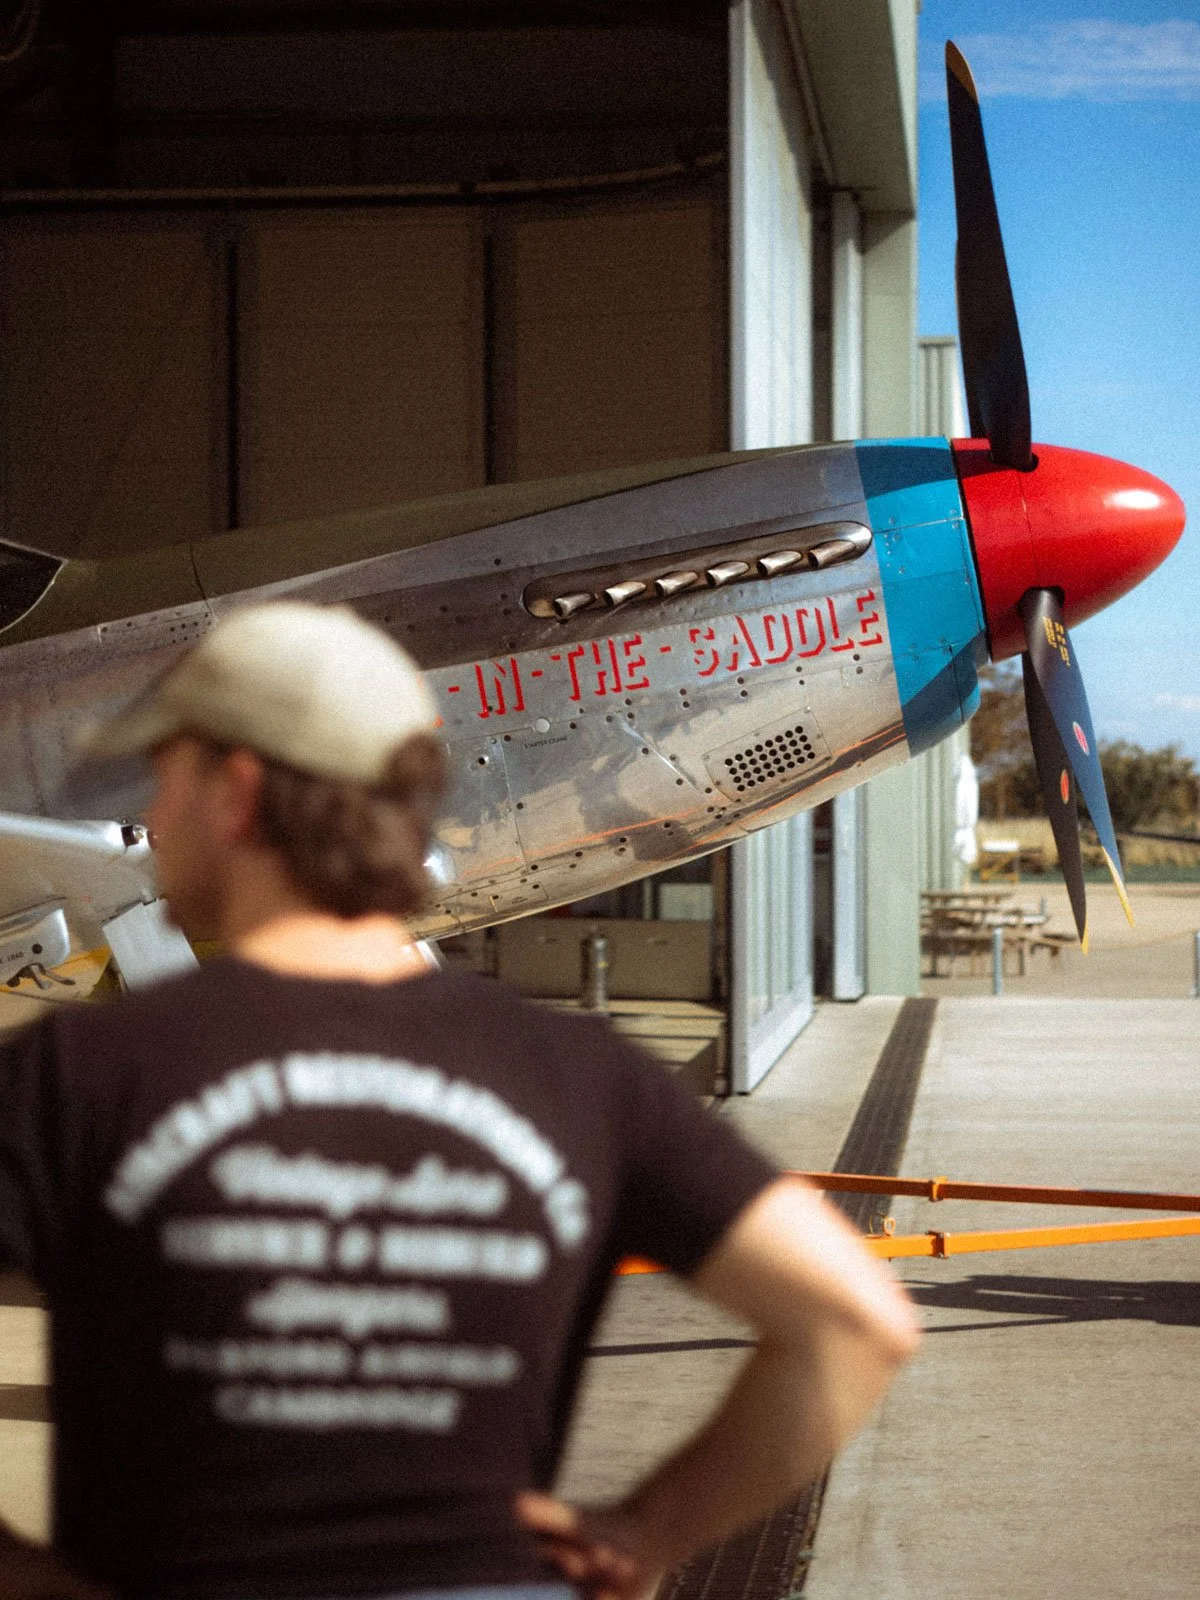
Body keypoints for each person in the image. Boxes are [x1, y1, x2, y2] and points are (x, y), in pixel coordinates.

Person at [0, 602, 918, 1600]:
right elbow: (855, 1319)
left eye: (165, 777)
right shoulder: (581, 1077)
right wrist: (646, 1531)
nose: (154, 812)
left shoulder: (79, 1072)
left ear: (238, 793)